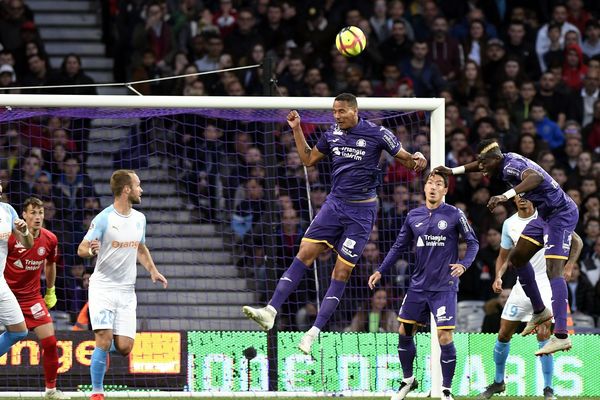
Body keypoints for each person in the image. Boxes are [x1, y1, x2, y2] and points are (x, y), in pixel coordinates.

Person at [242, 93, 427, 354]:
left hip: (361, 214)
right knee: (304, 253)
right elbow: (307, 159)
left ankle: (313, 333)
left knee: (340, 272)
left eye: (341, 111)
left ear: (354, 110)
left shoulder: (378, 133)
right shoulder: (331, 134)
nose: (336, 116)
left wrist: (418, 158)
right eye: (334, 112)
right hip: (334, 205)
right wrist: (296, 130)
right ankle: (270, 311)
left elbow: (408, 160)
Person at [434, 139, 579, 355]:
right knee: (518, 258)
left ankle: (561, 335)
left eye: (484, 164)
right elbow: (479, 163)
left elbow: (536, 177)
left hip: (561, 215)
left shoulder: (511, 166)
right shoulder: (500, 159)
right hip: (545, 217)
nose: (481, 169)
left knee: (553, 270)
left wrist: (505, 196)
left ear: (494, 159)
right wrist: (453, 171)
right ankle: (539, 310)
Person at [368, 172, 479, 400]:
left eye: (439, 184)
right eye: (430, 183)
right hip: (418, 286)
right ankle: (408, 380)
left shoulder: (455, 214)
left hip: (444, 287)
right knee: (404, 331)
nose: (433, 187)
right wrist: (380, 270)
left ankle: (446, 390)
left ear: (445, 190)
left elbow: (473, 243)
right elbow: (398, 246)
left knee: (445, 337)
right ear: (424, 187)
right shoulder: (413, 215)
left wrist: (464, 265)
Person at [477, 196, 583, 400]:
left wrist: (569, 265)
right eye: (519, 197)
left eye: (526, 197)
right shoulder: (510, 224)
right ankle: (499, 382)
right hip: (522, 287)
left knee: (543, 335)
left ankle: (548, 389)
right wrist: (498, 276)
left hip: (546, 284)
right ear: (514, 199)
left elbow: (576, 241)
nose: (522, 200)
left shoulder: (548, 217)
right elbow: (503, 256)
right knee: (503, 333)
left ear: (534, 198)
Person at [77, 170, 168, 400]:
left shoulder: (140, 219)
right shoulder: (104, 218)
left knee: (125, 347)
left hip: (127, 291)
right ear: (126, 189)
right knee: (104, 339)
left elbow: (140, 247)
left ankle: (102, 351)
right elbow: (82, 248)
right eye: (138, 185)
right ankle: (97, 392)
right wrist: (91, 251)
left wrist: (153, 270)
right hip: (103, 288)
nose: (141, 190)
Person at [4, 197, 69, 399]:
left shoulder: (50, 239)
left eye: (40, 213)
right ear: (23, 215)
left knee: (50, 343)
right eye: (33, 212)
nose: (37, 217)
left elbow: (50, 264)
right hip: (6, 295)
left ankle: (50, 390)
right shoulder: (10, 236)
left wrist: (50, 290)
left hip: (32, 298)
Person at [0, 181, 34, 359]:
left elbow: (28, 245)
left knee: (19, 332)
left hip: (0, 283)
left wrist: (25, 231)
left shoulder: (7, 211)